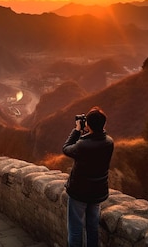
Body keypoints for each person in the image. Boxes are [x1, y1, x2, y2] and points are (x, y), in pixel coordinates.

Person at [63, 106, 114, 247]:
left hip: (79, 192)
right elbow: (95, 140)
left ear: (88, 124)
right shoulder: (109, 142)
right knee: (92, 228)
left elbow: (66, 148)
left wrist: (77, 130)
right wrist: (89, 132)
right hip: (97, 191)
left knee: (75, 229)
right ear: (104, 124)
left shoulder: (83, 145)